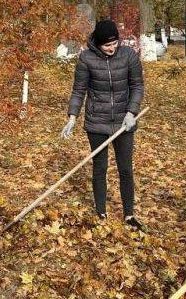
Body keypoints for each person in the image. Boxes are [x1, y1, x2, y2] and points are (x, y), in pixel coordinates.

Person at [61, 19, 144, 227]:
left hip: (123, 121)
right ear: (97, 43)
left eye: (115, 43)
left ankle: (128, 215)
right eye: (107, 45)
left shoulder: (129, 56)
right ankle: (101, 213)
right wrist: (72, 116)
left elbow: (137, 85)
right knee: (100, 167)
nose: (111, 48)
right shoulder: (86, 59)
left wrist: (131, 112)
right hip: (97, 121)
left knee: (125, 168)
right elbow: (79, 90)